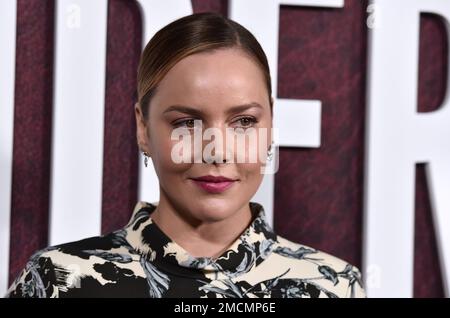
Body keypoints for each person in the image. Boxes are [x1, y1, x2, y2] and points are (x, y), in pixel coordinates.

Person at [5, 12, 365, 298]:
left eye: (243, 121)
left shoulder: (334, 287)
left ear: (270, 124)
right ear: (143, 129)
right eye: (187, 123)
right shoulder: (59, 281)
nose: (218, 150)